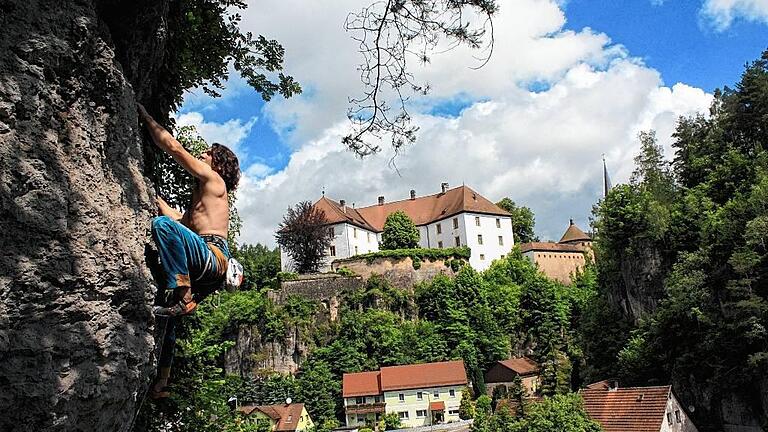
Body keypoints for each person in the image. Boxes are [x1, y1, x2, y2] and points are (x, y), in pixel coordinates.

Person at [137, 103, 240, 398]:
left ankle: (183, 296)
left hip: (212, 256)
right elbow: (179, 221)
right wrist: (151, 194)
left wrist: (146, 117)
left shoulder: (213, 180)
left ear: (217, 164)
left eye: (207, 153)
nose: (201, 155)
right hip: (207, 265)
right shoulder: (203, 199)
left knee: (161, 227)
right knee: (170, 319)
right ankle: (162, 383)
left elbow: (174, 148)